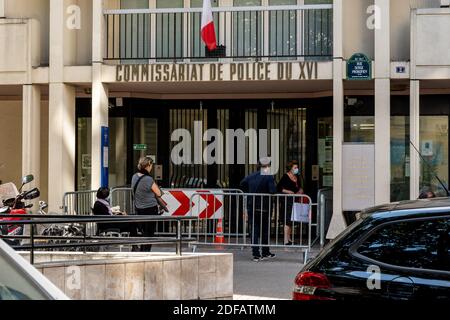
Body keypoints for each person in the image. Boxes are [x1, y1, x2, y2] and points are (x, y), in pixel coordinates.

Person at [240, 157, 277, 262]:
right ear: (268, 166)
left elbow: (242, 184)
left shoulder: (251, 176)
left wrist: (249, 193)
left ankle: (256, 254)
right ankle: (265, 252)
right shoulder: (269, 176)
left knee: (254, 230)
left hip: (252, 206)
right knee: (265, 230)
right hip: (264, 207)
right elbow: (272, 190)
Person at [131, 156, 162, 252]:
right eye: (151, 165)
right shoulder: (149, 179)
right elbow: (159, 193)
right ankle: (145, 252)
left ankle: (142, 250)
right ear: (147, 166)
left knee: (143, 232)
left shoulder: (134, 176)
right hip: (150, 209)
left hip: (139, 209)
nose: (152, 167)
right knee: (149, 234)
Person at [277, 160, 304, 246]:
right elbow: (279, 188)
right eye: (295, 167)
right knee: (287, 219)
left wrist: (300, 190)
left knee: (292, 220)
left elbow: (299, 187)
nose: (297, 169)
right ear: (290, 169)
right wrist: (288, 191)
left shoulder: (297, 177)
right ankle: (285, 240)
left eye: (297, 167)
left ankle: (289, 238)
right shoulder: (285, 177)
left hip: (295, 200)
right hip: (287, 200)